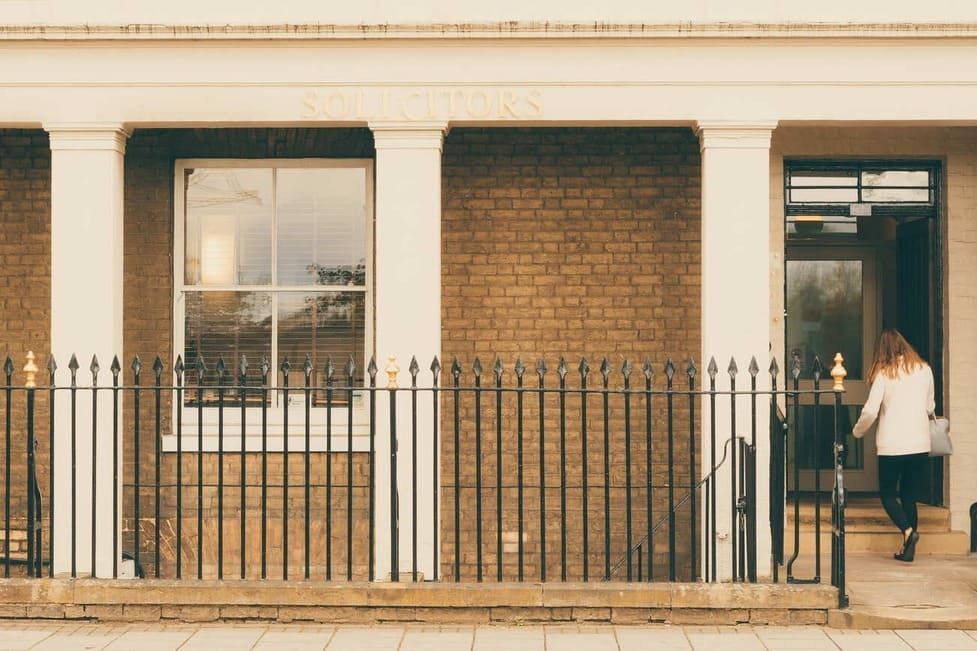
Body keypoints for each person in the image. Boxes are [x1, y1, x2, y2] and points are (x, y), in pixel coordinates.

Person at [852, 329, 935, 562]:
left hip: (892, 446)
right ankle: (908, 549)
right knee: (909, 497)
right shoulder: (925, 370)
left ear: (883, 350)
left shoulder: (884, 374)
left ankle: (909, 532)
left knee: (888, 495)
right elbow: (930, 406)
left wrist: (857, 432)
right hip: (919, 444)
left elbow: (870, 411)